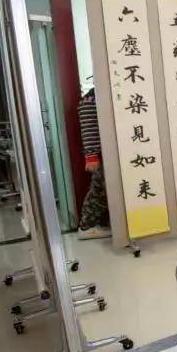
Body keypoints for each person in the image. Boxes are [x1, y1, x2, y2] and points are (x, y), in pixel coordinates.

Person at [77, 87, 111, 240]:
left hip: (110, 151)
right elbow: (88, 128)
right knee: (100, 189)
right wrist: (91, 155)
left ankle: (98, 223)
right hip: (101, 153)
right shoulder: (90, 99)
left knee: (104, 189)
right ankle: (87, 225)